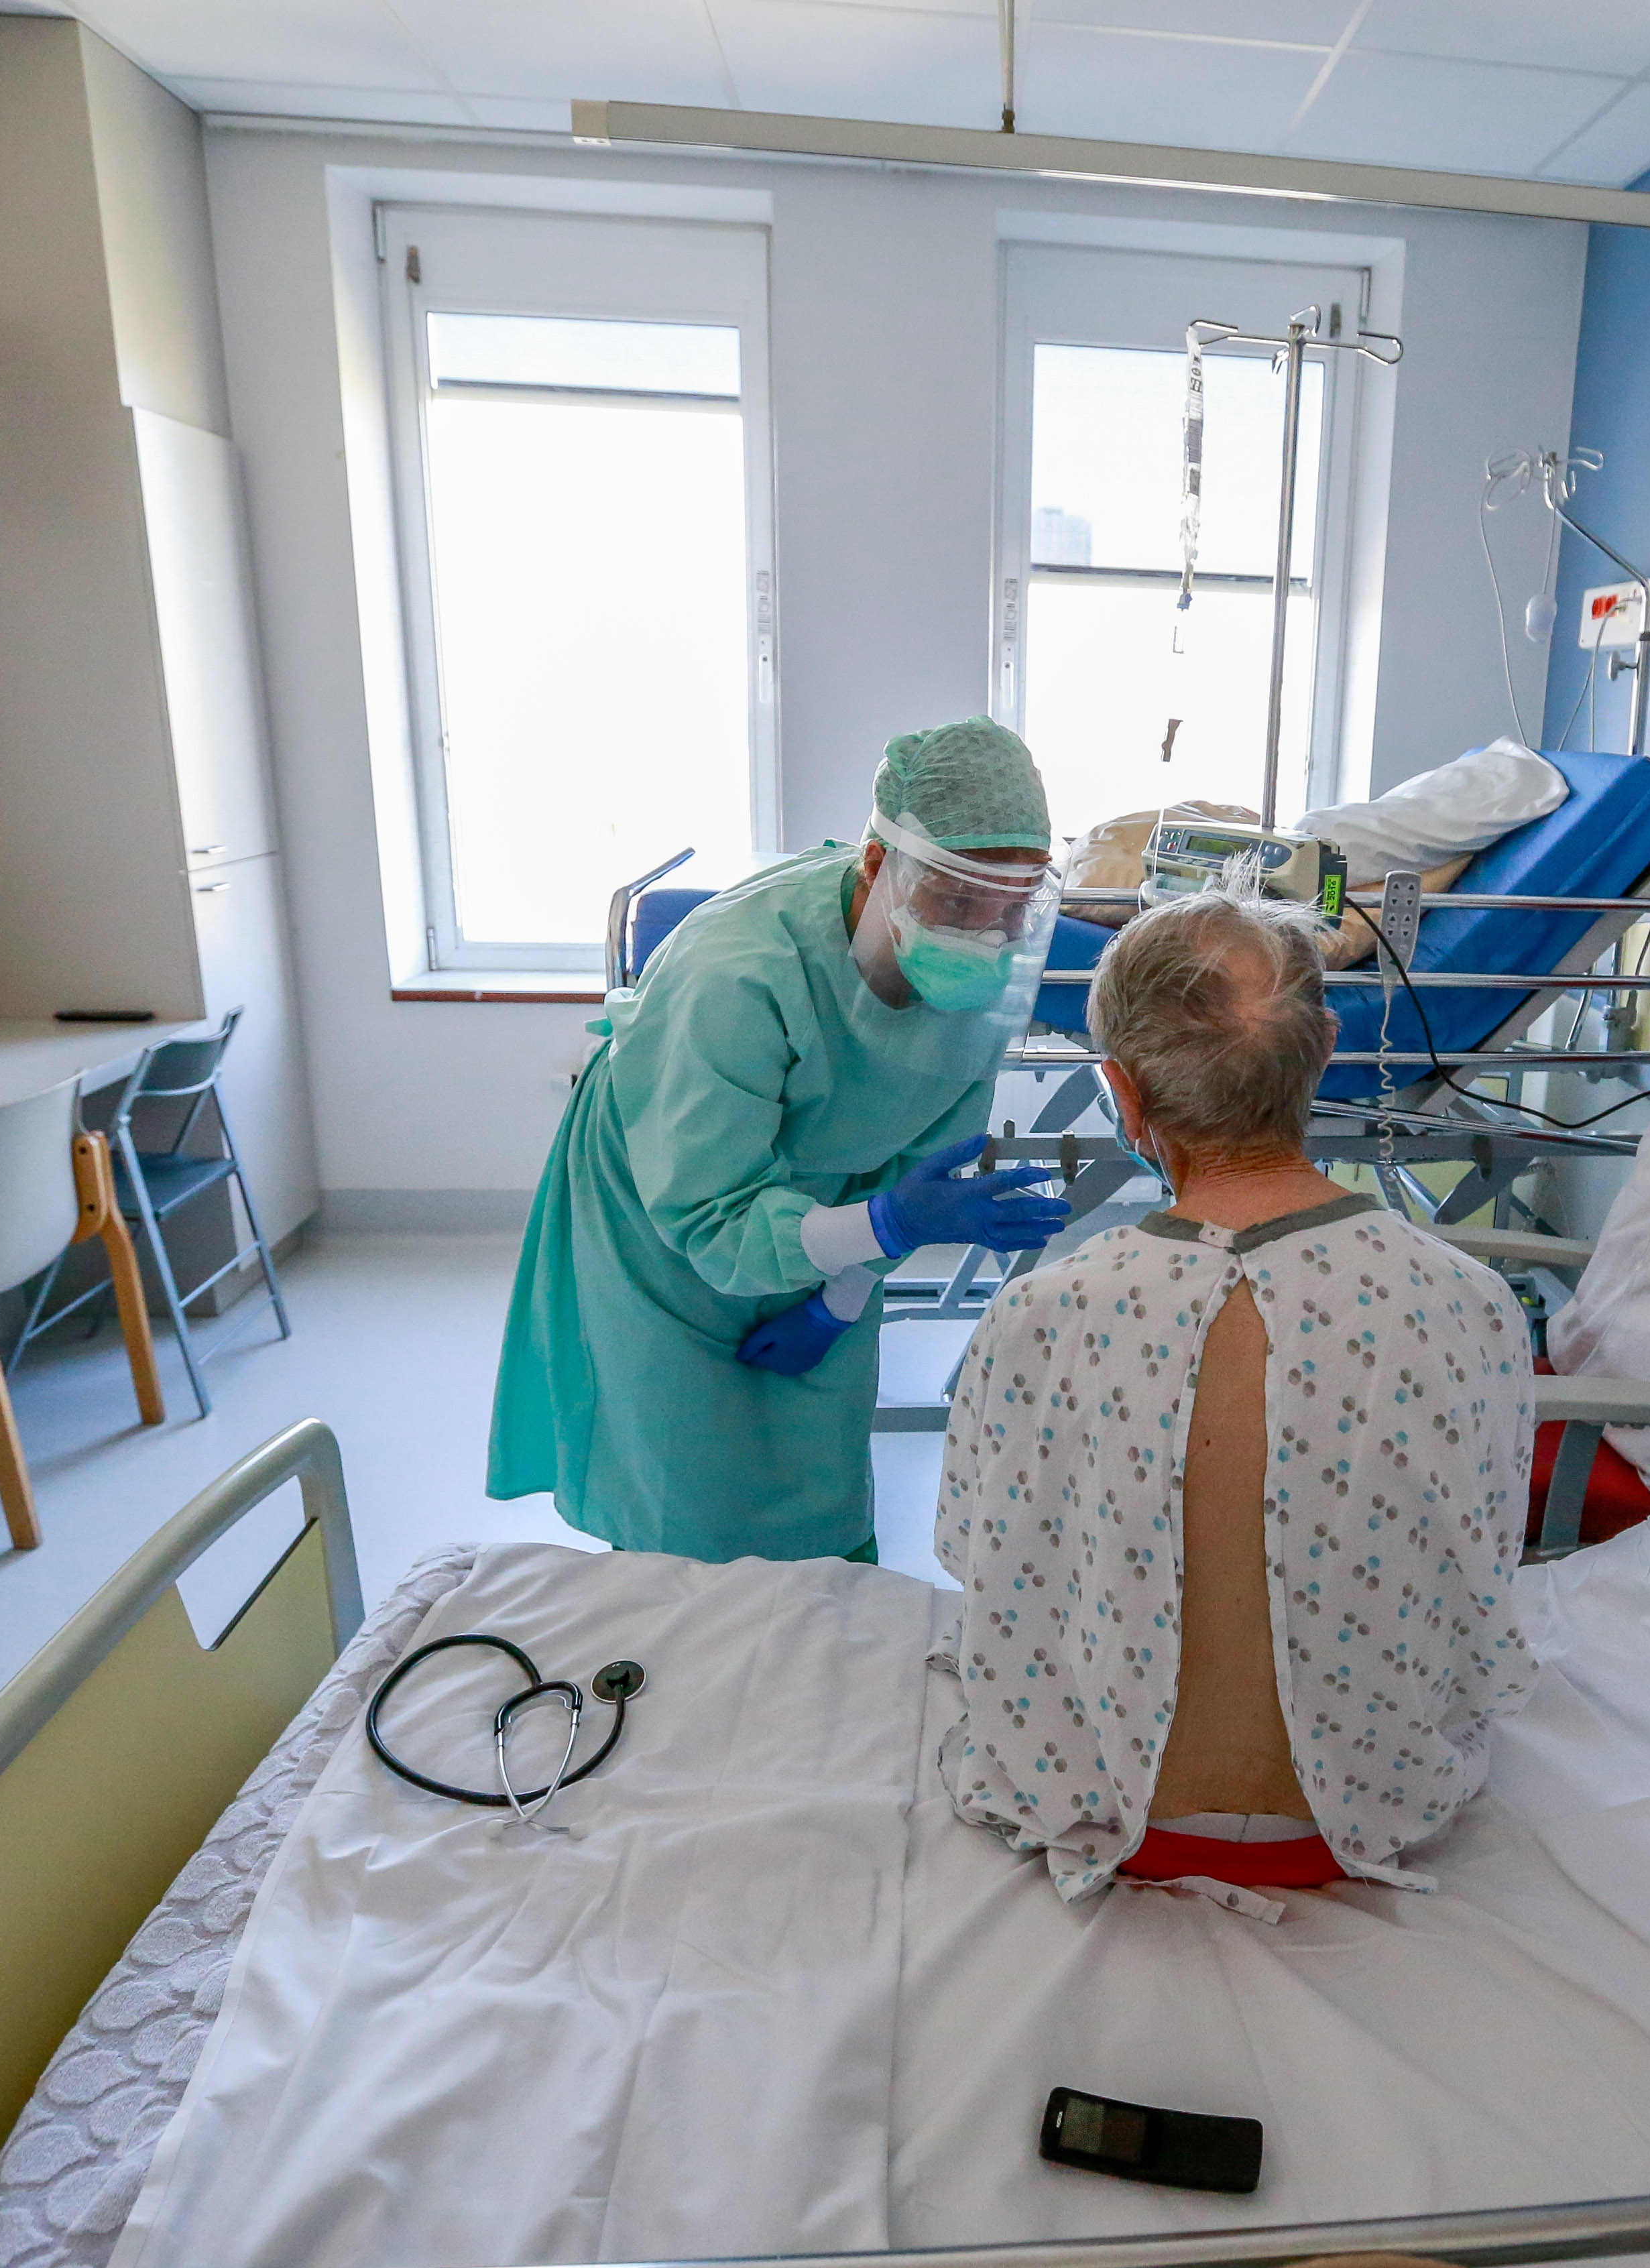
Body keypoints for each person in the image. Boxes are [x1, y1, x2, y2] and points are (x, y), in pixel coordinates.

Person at [934, 890, 1537, 1896]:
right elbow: (1476, 1571)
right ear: (1324, 1049)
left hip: (1121, 1819)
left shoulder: (1042, 1315)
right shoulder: (1470, 1303)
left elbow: (980, 1560)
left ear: (1123, 1094)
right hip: (1370, 1813)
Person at [489, 719, 1075, 1563]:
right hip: (669, 1195)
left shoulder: (981, 969)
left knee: (815, 1450)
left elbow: (922, 1158)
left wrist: (845, 1294)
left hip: (833, 1194)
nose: (988, 934)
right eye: (958, 902)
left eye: (1014, 908)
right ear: (877, 866)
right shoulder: (735, 973)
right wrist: (886, 1225)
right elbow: (711, 1217)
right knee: (686, 1464)